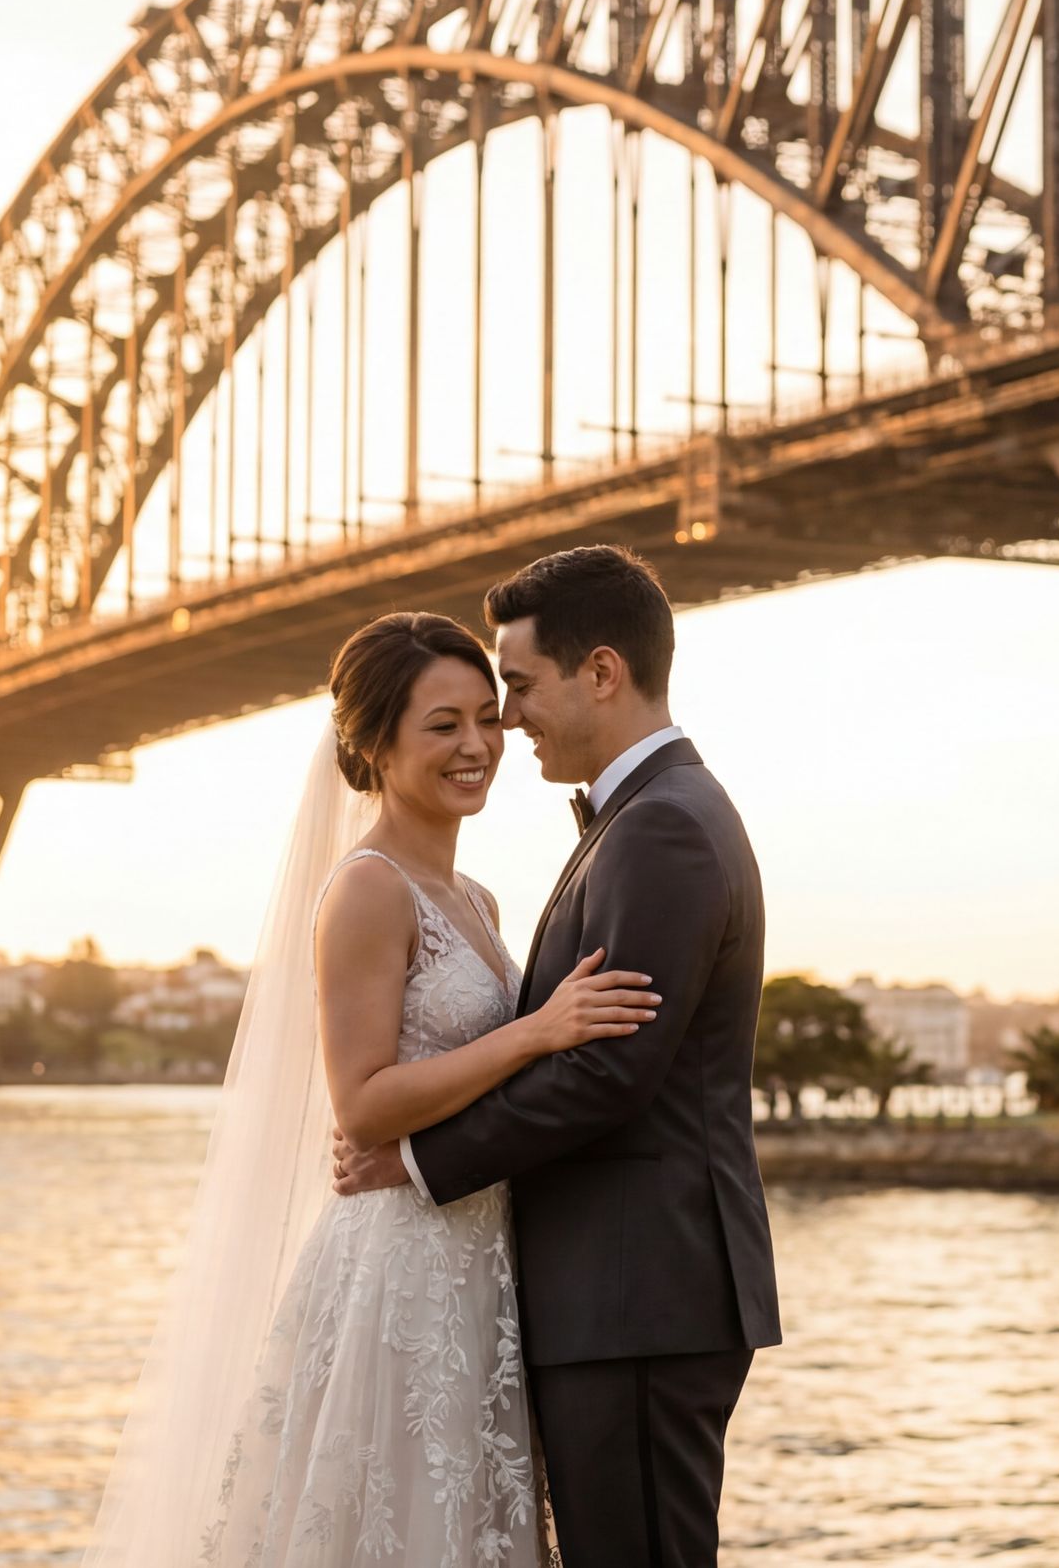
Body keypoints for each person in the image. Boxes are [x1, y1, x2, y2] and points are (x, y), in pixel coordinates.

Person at [80, 607, 666, 1567]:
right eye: (443, 726)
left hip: (481, 1263)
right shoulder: (367, 889)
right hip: (399, 1270)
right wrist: (535, 1030)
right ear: (373, 747)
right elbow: (360, 1103)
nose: (478, 745)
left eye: (488, 717)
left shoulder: (475, 901)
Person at [334, 545, 776, 1567]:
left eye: (515, 692)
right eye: (469, 715)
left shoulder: (659, 826)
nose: (506, 722)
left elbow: (608, 1073)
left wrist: (413, 1163)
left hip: (636, 1294)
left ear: (604, 673)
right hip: (620, 1291)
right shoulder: (645, 818)